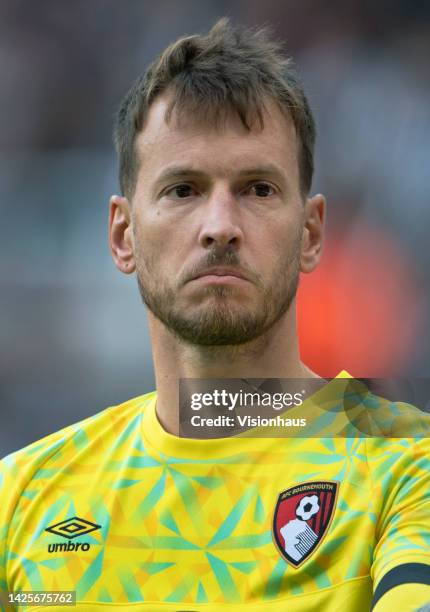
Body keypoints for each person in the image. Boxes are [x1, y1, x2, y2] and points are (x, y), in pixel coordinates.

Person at [1, 18, 429, 612]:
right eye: (183, 189)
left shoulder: (407, 464)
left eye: (257, 189)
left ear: (310, 233)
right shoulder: (22, 499)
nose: (220, 227)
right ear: (122, 234)